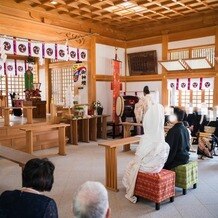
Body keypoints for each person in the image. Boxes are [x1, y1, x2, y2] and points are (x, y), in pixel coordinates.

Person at [122, 103, 170, 203]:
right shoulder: (161, 135)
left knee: (130, 166)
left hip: (147, 168)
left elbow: (138, 158)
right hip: (158, 166)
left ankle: (135, 188)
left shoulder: (147, 138)